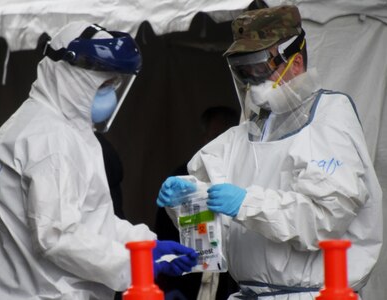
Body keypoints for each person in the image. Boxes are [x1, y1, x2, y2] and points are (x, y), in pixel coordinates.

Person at [157, 4, 382, 299]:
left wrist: (246, 203)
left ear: (296, 62)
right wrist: (186, 203)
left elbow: (325, 221)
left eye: (260, 68)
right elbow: (211, 243)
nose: (253, 81)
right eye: (244, 71)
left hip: (314, 294)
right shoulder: (238, 138)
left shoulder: (328, 119)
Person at [0, 21, 198, 300]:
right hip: (41, 293)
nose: (111, 95)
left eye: (115, 84)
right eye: (104, 85)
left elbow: (93, 219)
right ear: (69, 77)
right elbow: (58, 237)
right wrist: (136, 264)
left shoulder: (66, 130)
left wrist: (146, 245)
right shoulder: (46, 137)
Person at [155, 106, 239, 300]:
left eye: (226, 137)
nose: (220, 144)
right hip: (189, 282)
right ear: (204, 139)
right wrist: (168, 287)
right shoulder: (184, 177)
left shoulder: (246, 175)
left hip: (235, 283)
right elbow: (165, 234)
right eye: (215, 137)